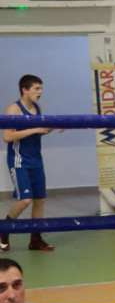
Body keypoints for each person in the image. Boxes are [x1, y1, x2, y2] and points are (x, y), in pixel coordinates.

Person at [3, 75, 59, 252]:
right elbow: (7, 136)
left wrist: (53, 126)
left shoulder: (38, 107)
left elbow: (39, 133)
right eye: (36, 89)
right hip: (19, 161)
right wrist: (34, 128)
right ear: (24, 90)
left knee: (40, 199)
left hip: (36, 159)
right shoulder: (13, 110)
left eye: (41, 88)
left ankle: (36, 240)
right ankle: (3, 230)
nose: (41, 92)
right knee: (25, 200)